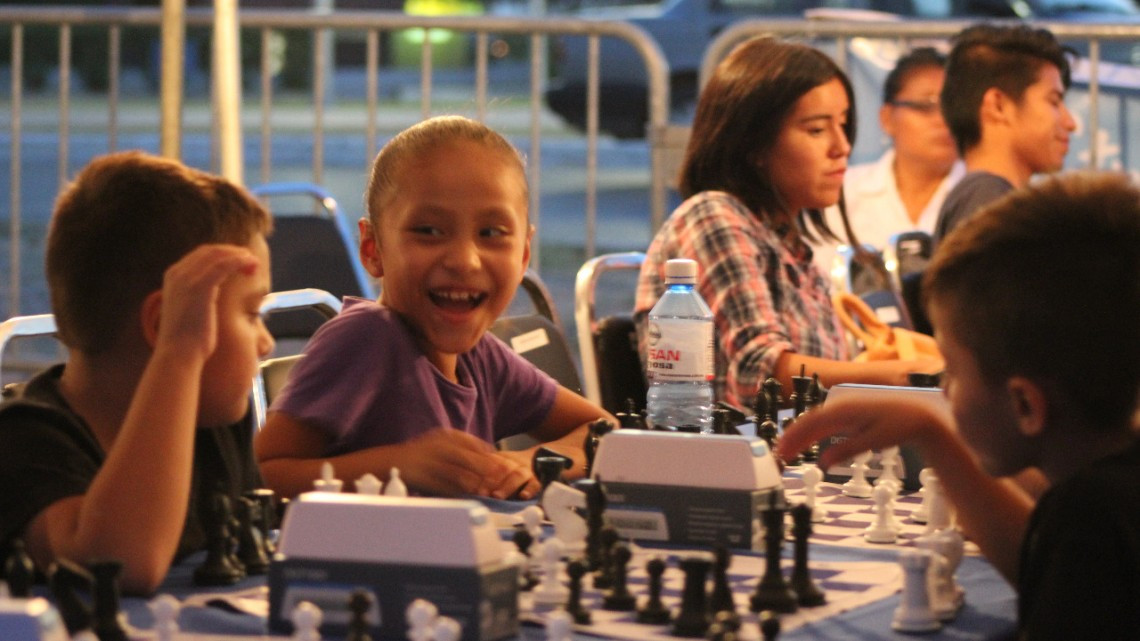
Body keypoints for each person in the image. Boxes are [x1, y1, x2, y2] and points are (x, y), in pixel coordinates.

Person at [778, 171, 1140, 639]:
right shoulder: (1106, 490)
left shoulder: (1089, 523)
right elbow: (1044, 575)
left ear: (1025, 405)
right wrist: (932, 435)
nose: (945, 391)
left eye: (950, 371)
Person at [255, 116, 613, 501]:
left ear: (523, 254)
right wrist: (400, 466)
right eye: (428, 231)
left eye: (491, 233)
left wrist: (532, 464)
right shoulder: (367, 337)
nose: (465, 260)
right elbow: (261, 474)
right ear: (373, 249)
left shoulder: (483, 358)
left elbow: (603, 431)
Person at [0, 151, 275, 594]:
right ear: (164, 324)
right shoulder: (26, 438)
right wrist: (179, 354)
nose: (266, 342)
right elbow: (123, 562)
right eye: (252, 314)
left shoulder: (215, 425)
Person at [633, 36, 940, 410]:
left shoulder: (793, 249)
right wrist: (905, 375)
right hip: (736, 444)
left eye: (843, 125)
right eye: (816, 130)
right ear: (754, 145)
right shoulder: (714, 218)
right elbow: (761, 374)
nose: (841, 146)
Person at [814, 47, 963, 276]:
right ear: (886, 118)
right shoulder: (841, 191)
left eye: (952, 107)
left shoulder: (981, 196)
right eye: (925, 105)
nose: (942, 119)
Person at [933, 23, 1076, 242]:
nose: (1070, 123)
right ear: (998, 106)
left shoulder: (986, 196)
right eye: (1054, 101)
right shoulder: (987, 198)